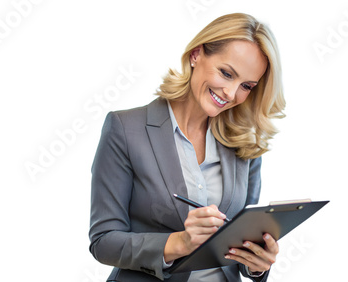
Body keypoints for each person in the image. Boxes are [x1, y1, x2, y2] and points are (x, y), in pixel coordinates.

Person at [89, 13, 285, 281]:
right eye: (226, 73)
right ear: (196, 55)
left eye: (246, 86)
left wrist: (257, 264)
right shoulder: (125, 129)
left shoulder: (244, 143)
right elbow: (103, 241)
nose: (230, 93)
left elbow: (241, 240)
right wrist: (179, 243)